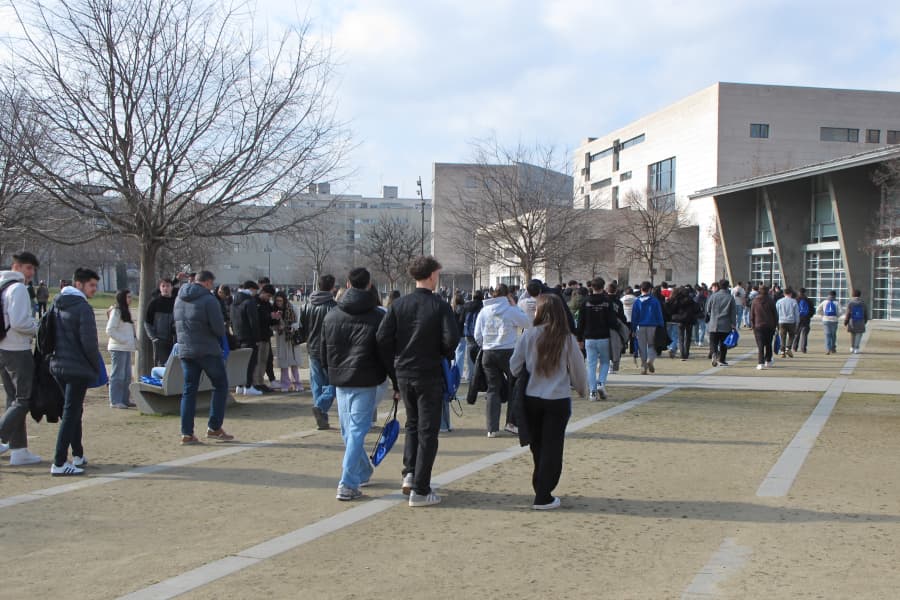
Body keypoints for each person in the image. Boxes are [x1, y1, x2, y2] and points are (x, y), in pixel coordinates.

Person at [376, 256, 459, 507]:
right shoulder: (440, 305)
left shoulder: (398, 305)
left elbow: (382, 338)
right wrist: (440, 353)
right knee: (427, 430)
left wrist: (394, 367)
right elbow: (451, 338)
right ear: (432, 275)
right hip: (429, 372)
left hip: (403, 371)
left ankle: (410, 474)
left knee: (413, 425)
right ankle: (421, 489)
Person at [510, 293, 588, 510]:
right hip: (558, 398)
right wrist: (582, 389)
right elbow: (578, 371)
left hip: (532, 397)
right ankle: (544, 493)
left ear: (539, 311)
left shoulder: (529, 335)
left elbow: (514, 366)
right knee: (553, 446)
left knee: (537, 445)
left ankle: (540, 487)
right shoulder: (567, 339)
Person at [321, 268, 393, 501]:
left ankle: (350, 479)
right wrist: (394, 379)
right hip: (367, 379)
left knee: (351, 431)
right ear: (369, 284)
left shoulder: (332, 316)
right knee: (352, 432)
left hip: (342, 379)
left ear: (348, 284)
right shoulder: (378, 316)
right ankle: (355, 476)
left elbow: (323, 351)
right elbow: (386, 352)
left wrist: (329, 371)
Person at [49, 268, 102, 476]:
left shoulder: (56, 303)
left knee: (72, 410)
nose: (94, 290)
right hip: (76, 367)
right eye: (91, 285)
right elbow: (89, 343)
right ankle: (59, 461)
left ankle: (77, 454)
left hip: (58, 364)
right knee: (71, 412)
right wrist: (95, 366)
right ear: (79, 284)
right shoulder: (82, 308)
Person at [174, 270, 233, 445]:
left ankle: (186, 433)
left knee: (189, 390)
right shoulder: (209, 300)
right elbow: (218, 329)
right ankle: (214, 427)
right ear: (207, 282)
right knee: (220, 385)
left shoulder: (179, 298)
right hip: (207, 349)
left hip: (185, 349)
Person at [0, 252, 43, 466]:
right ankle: (4, 438)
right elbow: (19, 322)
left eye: (33, 269)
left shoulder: (3, 286)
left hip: (3, 347)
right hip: (17, 349)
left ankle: (19, 450)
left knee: (13, 399)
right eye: (28, 268)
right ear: (16, 267)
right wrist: (37, 328)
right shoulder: (18, 289)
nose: (31, 273)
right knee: (23, 399)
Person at [474, 283, 531, 437]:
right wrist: (515, 307)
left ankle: (491, 428)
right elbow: (527, 323)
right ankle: (512, 423)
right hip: (508, 351)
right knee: (515, 386)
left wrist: (486, 344)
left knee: (492, 389)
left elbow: (477, 334)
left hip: (488, 352)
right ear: (508, 296)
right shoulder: (510, 310)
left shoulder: (484, 311)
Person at [301, 274, 338, 430]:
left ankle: (321, 414)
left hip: (312, 348)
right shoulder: (333, 307)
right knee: (334, 383)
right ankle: (321, 407)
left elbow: (303, 327)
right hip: (328, 349)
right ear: (332, 287)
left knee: (317, 384)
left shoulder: (306, 305)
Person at [576, 277, 617, 400]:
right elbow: (612, 321)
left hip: (589, 337)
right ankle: (601, 383)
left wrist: (579, 338)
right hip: (604, 336)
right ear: (603, 286)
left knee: (591, 365)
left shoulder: (585, 302)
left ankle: (592, 392)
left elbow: (580, 321)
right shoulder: (607, 301)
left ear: (591, 287)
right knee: (605, 362)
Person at [230, 281, 262, 396]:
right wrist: (257, 338)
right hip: (249, 338)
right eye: (255, 290)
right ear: (251, 289)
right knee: (251, 363)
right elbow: (254, 322)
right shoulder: (249, 302)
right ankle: (248, 386)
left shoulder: (233, 302)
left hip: (238, 337)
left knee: (241, 363)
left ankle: (239, 385)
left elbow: (232, 322)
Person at [106, 289, 136, 408]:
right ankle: (115, 400)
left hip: (126, 348)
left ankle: (125, 399)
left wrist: (132, 341)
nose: (130, 299)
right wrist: (124, 340)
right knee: (117, 375)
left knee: (127, 375)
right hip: (118, 348)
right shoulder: (116, 311)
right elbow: (110, 330)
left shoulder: (126, 311)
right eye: (128, 297)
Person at [631, 281, 664, 375]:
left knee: (641, 347)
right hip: (653, 325)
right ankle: (651, 360)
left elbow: (634, 316)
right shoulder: (655, 301)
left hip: (640, 326)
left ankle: (643, 365)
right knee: (652, 345)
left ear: (641, 289)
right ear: (650, 289)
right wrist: (661, 325)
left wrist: (633, 328)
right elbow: (659, 314)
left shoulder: (637, 301)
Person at [272, 291, 303, 391]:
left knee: (294, 361)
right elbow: (271, 325)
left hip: (292, 337)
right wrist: (277, 326)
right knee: (283, 361)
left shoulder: (293, 308)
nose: (279, 303)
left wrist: (290, 326)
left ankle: (297, 383)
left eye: (280, 301)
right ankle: (285, 383)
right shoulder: (274, 310)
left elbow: (298, 323)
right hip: (281, 337)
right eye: (277, 301)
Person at [144, 279, 176, 367]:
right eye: (163, 286)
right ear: (160, 288)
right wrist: (154, 338)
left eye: (168, 286)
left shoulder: (176, 303)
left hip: (174, 340)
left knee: (174, 366)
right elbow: (147, 323)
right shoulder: (154, 303)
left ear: (172, 287)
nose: (165, 288)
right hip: (160, 340)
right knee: (161, 365)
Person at [706, 279, 736, 367]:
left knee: (713, 342)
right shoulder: (730, 297)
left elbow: (708, 309)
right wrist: (733, 324)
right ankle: (722, 359)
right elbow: (733, 313)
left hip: (714, 323)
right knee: (723, 343)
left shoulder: (713, 296)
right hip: (725, 324)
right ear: (727, 286)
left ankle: (714, 353)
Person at [253, 284, 278, 392]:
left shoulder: (267, 304)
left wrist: (275, 318)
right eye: (268, 295)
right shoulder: (254, 302)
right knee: (257, 360)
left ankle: (260, 381)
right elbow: (256, 319)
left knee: (264, 360)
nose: (268, 298)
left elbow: (270, 320)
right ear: (262, 292)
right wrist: (269, 316)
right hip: (258, 336)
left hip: (266, 335)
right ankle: (255, 382)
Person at [750, 284, 778, 369]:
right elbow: (775, 314)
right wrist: (775, 325)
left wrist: (752, 325)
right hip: (769, 325)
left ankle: (760, 363)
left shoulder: (755, 301)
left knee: (760, 345)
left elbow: (752, 314)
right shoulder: (771, 300)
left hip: (758, 325)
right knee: (768, 344)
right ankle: (768, 360)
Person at [669, 285, 699, 360]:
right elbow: (696, 309)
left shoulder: (678, 300)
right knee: (688, 338)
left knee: (681, 337)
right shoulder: (691, 300)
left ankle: (682, 353)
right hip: (689, 320)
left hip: (680, 320)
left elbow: (673, 309)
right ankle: (687, 352)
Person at [775, 287, 799, 359]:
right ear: (791, 294)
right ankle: (788, 348)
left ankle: (782, 351)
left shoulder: (779, 301)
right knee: (792, 335)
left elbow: (776, 312)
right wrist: (797, 322)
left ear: (784, 294)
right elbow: (796, 313)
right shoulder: (794, 301)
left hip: (781, 321)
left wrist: (776, 322)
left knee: (782, 336)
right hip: (791, 321)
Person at [844, 289, 868, 354]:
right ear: (860, 295)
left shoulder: (850, 303)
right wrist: (865, 321)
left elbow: (848, 313)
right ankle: (856, 348)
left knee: (853, 334)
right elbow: (865, 313)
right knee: (859, 335)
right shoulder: (863, 303)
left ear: (853, 295)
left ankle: (852, 347)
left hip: (852, 321)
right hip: (860, 321)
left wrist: (846, 321)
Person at [793, 288, 812, 354]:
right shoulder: (808, 300)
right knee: (804, 334)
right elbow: (812, 310)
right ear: (805, 292)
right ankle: (803, 348)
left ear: (799, 292)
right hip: (806, 319)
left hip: (798, 318)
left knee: (797, 333)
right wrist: (809, 316)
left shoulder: (796, 300)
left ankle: (795, 347)